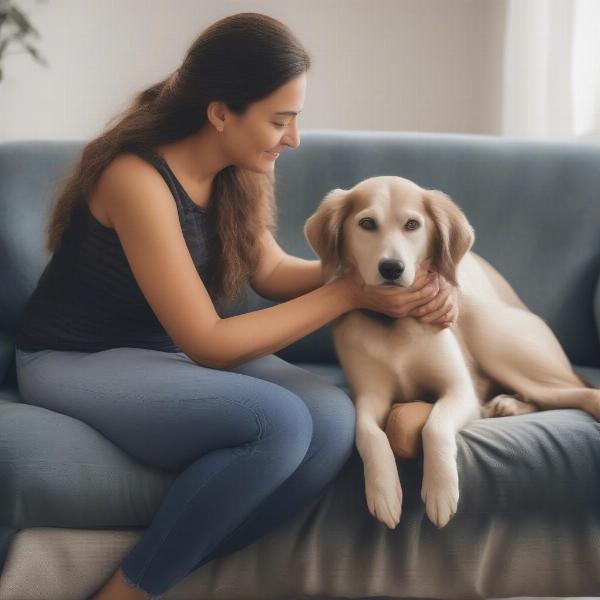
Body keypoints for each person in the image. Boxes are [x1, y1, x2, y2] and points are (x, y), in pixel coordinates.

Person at [13, 12, 458, 600]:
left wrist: (384, 275)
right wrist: (348, 293)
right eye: (280, 120)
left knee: (329, 420)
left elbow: (271, 272)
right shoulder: (136, 179)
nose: (293, 138)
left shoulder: (238, 171)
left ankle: (168, 568)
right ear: (221, 113)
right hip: (73, 357)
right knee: (275, 423)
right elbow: (207, 340)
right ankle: (124, 593)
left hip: (159, 355)